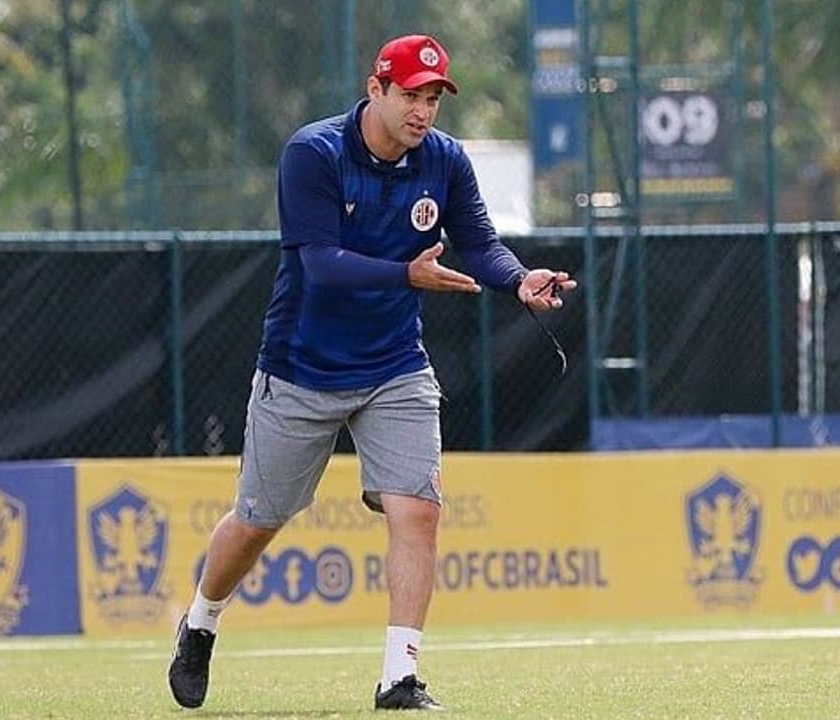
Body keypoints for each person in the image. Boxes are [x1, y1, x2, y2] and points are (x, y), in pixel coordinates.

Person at [168, 34, 575, 712]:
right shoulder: (314, 153)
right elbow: (322, 264)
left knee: (418, 508)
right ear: (377, 88)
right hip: (301, 368)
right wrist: (405, 274)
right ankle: (202, 623)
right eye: (412, 94)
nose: (423, 111)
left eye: (434, 98)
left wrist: (519, 279)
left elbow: (477, 243)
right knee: (259, 519)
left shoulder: (444, 161)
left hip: (395, 366)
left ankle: (399, 678)